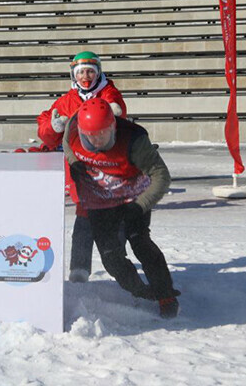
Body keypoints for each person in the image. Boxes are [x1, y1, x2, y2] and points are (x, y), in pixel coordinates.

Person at [63, 97, 180, 319]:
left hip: (133, 198)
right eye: (90, 135)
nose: (96, 140)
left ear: (113, 126)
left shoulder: (134, 140)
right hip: (99, 200)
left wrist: (140, 205)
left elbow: (162, 176)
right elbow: (66, 145)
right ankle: (140, 291)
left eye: (102, 134)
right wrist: (73, 162)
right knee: (111, 258)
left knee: (141, 243)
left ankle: (166, 295)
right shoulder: (72, 129)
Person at [36, 51, 127, 284]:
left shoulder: (109, 93)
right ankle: (79, 268)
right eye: (81, 72)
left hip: (110, 166)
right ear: (74, 75)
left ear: (98, 73)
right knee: (84, 219)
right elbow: (45, 130)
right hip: (82, 169)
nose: (86, 77)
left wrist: (116, 113)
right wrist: (54, 126)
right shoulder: (67, 100)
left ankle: (119, 265)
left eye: (90, 71)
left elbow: (120, 112)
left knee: (115, 217)